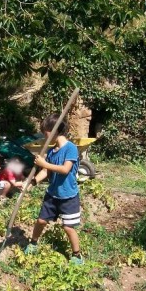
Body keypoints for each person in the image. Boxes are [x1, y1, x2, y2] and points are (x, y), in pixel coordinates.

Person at [25, 114, 83, 265]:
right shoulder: (52, 151)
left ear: (55, 130)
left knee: (68, 227)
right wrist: (33, 181)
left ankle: (77, 255)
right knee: (41, 220)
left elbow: (65, 169)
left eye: (45, 133)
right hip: (52, 194)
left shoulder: (71, 148)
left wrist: (44, 163)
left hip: (68, 196)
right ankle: (33, 243)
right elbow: (46, 172)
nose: (44, 136)